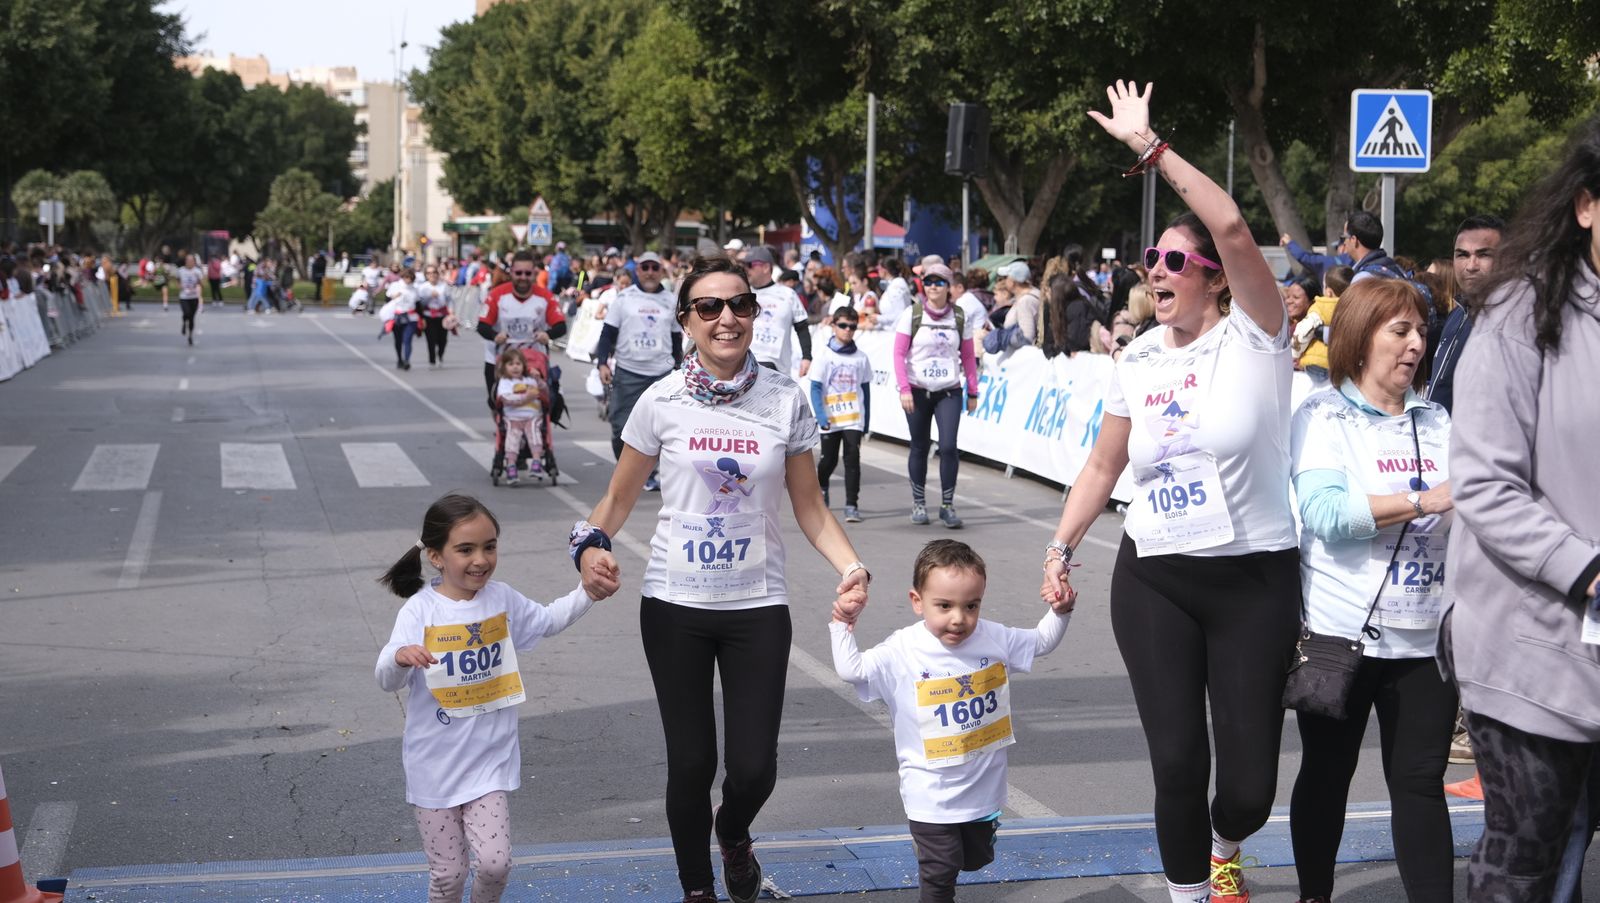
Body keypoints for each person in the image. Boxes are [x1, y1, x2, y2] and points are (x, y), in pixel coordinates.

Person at [1041, 81, 1300, 903]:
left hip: (1254, 577)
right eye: (1150, 260)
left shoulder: (1258, 335)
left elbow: (1232, 226)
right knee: (1179, 761)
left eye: (1175, 261)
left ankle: (1227, 843)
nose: (1157, 269)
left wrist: (1151, 150)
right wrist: (1059, 547)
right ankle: (1190, 893)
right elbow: (1102, 466)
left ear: (1217, 280)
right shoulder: (1139, 356)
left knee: (1249, 787)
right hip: (1155, 574)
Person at [570, 255, 872, 903]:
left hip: (757, 606)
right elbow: (617, 500)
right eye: (709, 307)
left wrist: (851, 567)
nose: (726, 318)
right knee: (691, 762)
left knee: (755, 768)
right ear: (686, 320)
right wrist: (590, 547)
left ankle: (732, 831)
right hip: (673, 605)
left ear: (756, 316)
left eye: (739, 305)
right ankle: (698, 890)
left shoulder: (785, 400)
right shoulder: (660, 400)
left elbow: (811, 507)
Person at [1445, 116, 1600, 902]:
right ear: (1586, 206)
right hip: (1532, 650)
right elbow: (1483, 483)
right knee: (1526, 865)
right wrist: (1587, 568)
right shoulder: (1520, 314)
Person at [1287, 279, 1457, 903]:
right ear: (1361, 337)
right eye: (1400, 331)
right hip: (1341, 637)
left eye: (1421, 332)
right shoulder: (1322, 415)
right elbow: (1327, 514)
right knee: (1328, 776)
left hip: (1426, 640)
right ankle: (1314, 895)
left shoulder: (1438, 420)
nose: (1416, 345)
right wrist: (1425, 500)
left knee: (1420, 783)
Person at [375, 493, 610, 903]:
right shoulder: (419, 611)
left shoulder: (501, 599)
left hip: (488, 765)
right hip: (433, 767)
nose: (480, 560)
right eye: (465, 549)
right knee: (449, 875)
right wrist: (399, 657)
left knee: (495, 864)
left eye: (489, 547)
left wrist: (588, 592)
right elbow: (385, 678)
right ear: (435, 556)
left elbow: (548, 620)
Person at [829, 540, 1075, 903]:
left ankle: (947, 850)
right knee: (941, 870)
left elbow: (1041, 642)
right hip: (928, 791)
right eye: (944, 606)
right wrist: (842, 623)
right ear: (917, 601)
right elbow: (853, 670)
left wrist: (1061, 610)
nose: (959, 618)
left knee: (973, 859)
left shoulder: (993, 637)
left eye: (971, 605)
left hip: (983, 790)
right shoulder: (903, 649)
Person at [894, 261, 978, 528]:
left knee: (949, 446)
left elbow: (968, 356)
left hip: (949, 390)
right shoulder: (912, 314)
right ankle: (919, 503)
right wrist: (904, 388)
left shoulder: (959, 316)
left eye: (939, 282)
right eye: (928, 282)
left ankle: (947, 505)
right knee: (919, 445)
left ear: (948, 286)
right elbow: (898, 353)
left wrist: (973, 391)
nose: (933, 286)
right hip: (917, 390)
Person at [595, 250, 683, 491]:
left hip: (661, 373)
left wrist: (680, 367)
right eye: (645, 267)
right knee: (619, 426)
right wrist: (602, 363)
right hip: (628, 372)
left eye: (655, 268)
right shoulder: (624, 299)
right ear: (638, 270)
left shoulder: (671, 301)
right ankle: (627, 468)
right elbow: (607, 334)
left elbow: (676, 339)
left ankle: (649, 472)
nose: (650, 272)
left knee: (660, 430)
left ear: (661, 271)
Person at [476, 250, 567, 479]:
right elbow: (482, 325)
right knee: (498, 402)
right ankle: (508, 442)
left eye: (528, 273)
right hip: (500, 360)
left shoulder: (545, 297)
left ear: (534, 273)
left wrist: (548, 334)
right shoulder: (498, 295)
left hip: (534, 361)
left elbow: (560, 325)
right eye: (519, 273)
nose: (523, 277)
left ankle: (533, 443)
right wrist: (495, 335)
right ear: (512, 273)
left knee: (538, 401)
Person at [1426, 215, 1503, 414]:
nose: (1471, 266)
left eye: (1484, 255)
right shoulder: (1456, 315)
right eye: (1462, 255)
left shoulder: (1512, 323)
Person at [808, 305, 873, 523]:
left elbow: (865, 390)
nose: (847, 330)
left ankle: (852, 504)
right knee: (829, 460)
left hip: (853, 418)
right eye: (843, 325)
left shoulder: (861, 357)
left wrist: (866, 421)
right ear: (834, 326)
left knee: (852, 458)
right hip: (830, 417)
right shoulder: (824, 355)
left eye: (852, 327)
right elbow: (815, 387)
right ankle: (822, 486)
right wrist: (820, 416)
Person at [745, 246, 812, 376]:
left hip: (778, 369)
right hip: (747, 365)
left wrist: (807, 357)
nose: (746, 269)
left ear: (766, 267)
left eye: (750, 265)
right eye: (744, 265)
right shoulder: (742, 294)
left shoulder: (788, 294)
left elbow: (802, 327)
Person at [495, 347, 546, 485]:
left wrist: (538, 378)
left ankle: (536, 461)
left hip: (532, 416)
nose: (515, 367)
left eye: (518, 364)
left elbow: (544, 391)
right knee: (512, 437)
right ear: (504, 367)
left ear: (524, 366)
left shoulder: (530, 380)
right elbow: (505, 398)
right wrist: (525, 398)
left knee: (534, 433)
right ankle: (511, 465)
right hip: (513, 417)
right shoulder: (505, 382)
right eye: (511, 364)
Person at [1279, 231, 1353, 283]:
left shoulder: (1327, 262)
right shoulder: (1357, 264)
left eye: (1337, 248)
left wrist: (1290, 243)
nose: (1336, 251)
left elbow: (1304, 257)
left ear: (1343, 248)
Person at [417, 263, 454, 368]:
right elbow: (420, 304)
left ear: (437, 274)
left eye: (434, 272)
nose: (432, 275)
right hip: (429, 316)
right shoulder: (423, 287)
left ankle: (440, 355)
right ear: (426, 275)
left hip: (442, 315)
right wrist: (429, 296)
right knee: (431, 339)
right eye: (429, 273)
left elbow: (450, 300)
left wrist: (451, 312)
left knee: (443, 340)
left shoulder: (444, 286)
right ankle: (432, 360)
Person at [387, 267, 421, 370]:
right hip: (397, 316)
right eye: (406, 277)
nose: (408, 280)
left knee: (407, 339)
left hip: (410, 318)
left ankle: (407, 360)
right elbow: (388, 298)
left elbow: (418, 304)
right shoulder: (395, 286)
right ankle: (399, 359)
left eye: (410, 278)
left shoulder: (414, 289)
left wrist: (421, 318)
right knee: (398, 340)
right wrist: (394, 296)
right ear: (402, 277)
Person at [175, 253, 203, 346]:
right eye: (188, 260)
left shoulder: (197, 271)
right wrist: (180, 286)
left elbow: (201, 283)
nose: (190, 262)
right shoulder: (181, 270)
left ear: (194, 262)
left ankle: (190, 335)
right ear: (185, 261)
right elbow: (177, 280)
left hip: (194, 297)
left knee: (191, 317)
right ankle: (184, 322)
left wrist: (198, 285)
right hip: (184, 297)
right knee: (186, 313)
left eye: (192, 261)